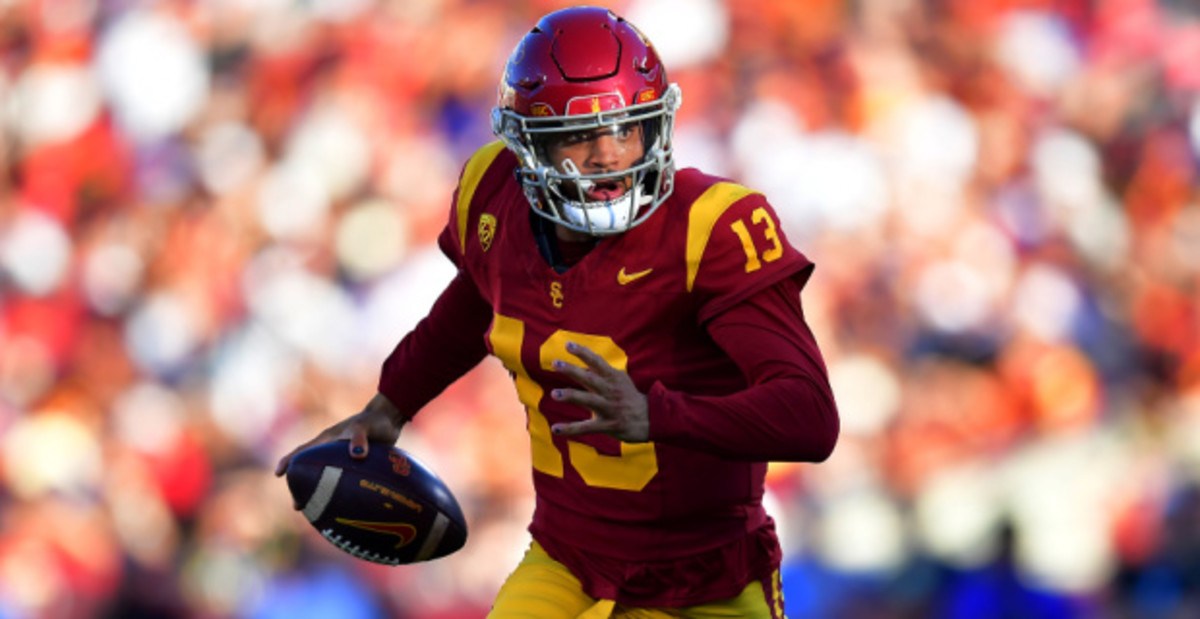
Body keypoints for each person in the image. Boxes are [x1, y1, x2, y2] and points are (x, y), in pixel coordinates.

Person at [275, 6, 839, 618]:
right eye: (579, 136)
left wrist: (657, 415)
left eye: (627, 130)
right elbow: (472, 305)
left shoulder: (712, 228)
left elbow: (809, 416)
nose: (607, 156)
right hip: (568, 561)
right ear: (527, 144)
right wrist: (390, 405)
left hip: (706, 583)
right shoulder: (493, 194)